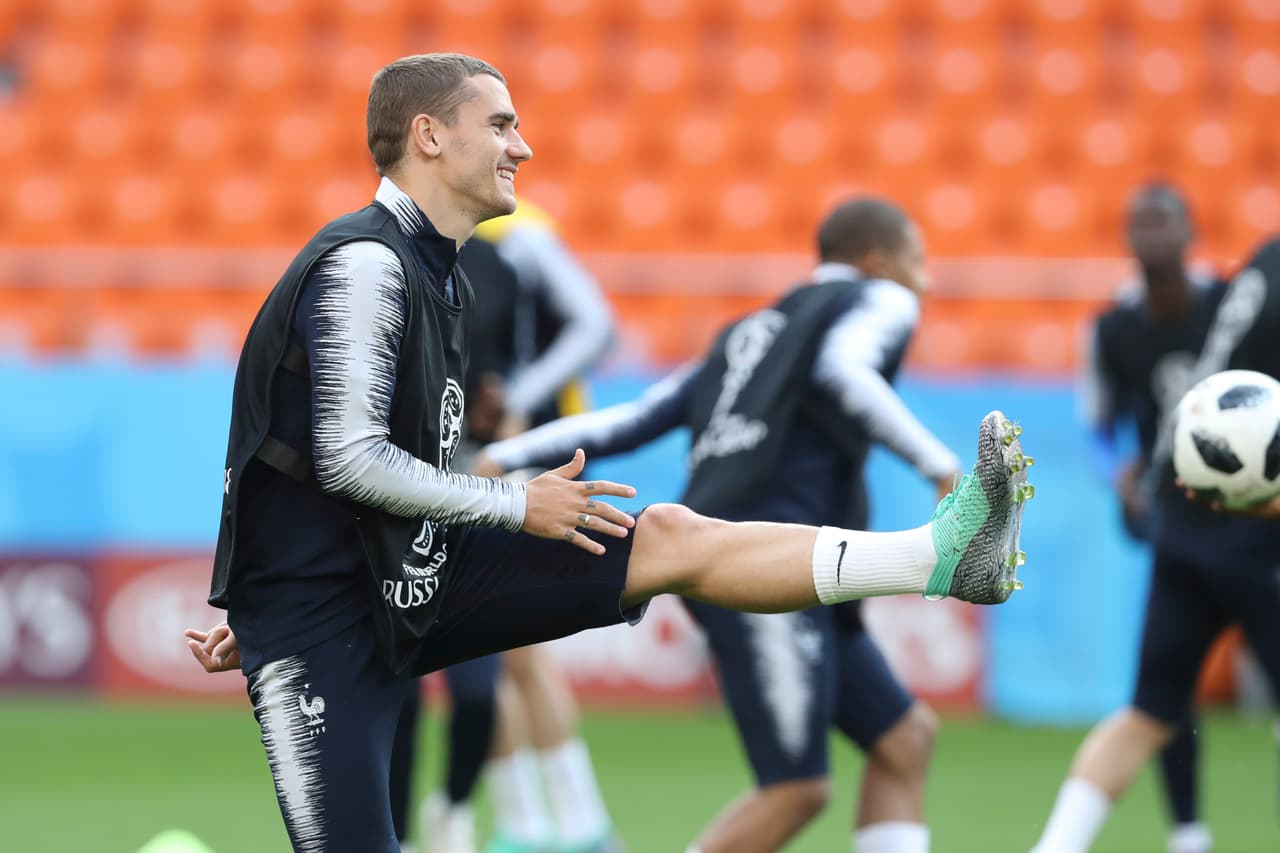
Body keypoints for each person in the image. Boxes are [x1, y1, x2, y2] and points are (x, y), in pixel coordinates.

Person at [183, 53, 1030, 853]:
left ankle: (938, 555)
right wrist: (507, 506)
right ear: (429, 136)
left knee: (669, 535)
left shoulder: (446, 276)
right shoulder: (367, 264)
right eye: (500, 124)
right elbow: (348, 458)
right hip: (322, 621)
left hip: (396, 583)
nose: (523, 146)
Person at [472, 196, 975, 853]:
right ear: (879, 262)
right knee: (795, 788)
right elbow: (843, 368)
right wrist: (939, 464)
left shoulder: (747, 332)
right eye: (918, 262)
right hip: (769, 565)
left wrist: (507, 453)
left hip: (728, 552)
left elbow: (635, 418)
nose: (926, 282)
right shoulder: (881, 298)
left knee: (904, 738)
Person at [1032, 188, 1280, 853]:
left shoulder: (1239, 289)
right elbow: (1098, 424)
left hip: (1214, 519)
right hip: (1210, 525)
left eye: (1163, 222)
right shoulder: (1115, 327)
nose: (1153, 236)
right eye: (1140, 223)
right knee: (1157, 705)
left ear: (1192, 231)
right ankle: (1178, 834)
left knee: (1152, 707)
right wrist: (1115, 471)